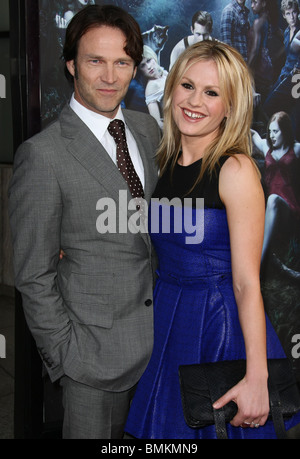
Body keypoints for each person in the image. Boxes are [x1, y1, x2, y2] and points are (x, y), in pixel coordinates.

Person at [124, 40, 300, 439]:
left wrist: (258, 377)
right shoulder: (164, 162)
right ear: (171, 89)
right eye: (187, 86)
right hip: (167, 317)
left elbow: (246, 282)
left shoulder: (235, 169)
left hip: (217, 326)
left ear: (230, 106)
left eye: (212, 92)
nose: (195, 101)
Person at [8, 4, 161, 439]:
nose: (110, 77)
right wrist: (66, 357)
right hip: (92, 363)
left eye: (122, 62)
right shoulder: (43, 156)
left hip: (161, 349)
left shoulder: (149, 131)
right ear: (72, 64)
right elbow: (33, 274)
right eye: (96, 61)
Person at [251, 111, 300, 273]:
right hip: (268, 211)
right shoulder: (266, 146)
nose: (271, 136)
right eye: (270, 131)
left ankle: (260, 263)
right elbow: (251, 133)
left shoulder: (296, 149)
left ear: (285, 131)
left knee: (273, 200)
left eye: (276, 131)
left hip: (289, 210)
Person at [263, 0, 300, 136]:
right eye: (288, 13)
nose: (292, 17)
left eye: (294, 12)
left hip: (297, 77)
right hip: (286, 73)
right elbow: (287, 55)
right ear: (284, 15)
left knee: (296, 110)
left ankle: (293, 145)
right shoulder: (285, 32)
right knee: (269, 106)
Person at [248, 0, 285, 103]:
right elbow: (287, 40)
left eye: (255, 2)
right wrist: (274, 58)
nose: (252, 6)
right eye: (251, 2)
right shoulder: (269, 21)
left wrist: (246, 70)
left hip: (259, 69)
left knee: (258, 104)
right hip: (267, 69)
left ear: (264, 3)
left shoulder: (258, 22)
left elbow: (254, 51)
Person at [138, 46, 168, 129]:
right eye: (143, 65)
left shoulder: (164, 73)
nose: (149, 67)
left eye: (149, 60)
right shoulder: (151, 87)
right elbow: (157, 123)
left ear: (153, 57)